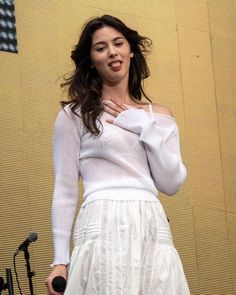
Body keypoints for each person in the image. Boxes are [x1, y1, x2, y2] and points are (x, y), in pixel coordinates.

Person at [45, 15, 190, 295]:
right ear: (90, 60)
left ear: (130, 50)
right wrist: (60, 260)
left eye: (118, 43)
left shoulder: (158, 116)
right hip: (101, 219)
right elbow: (64, 190)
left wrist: (145, 128)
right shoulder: (74, 115)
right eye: (100, 48)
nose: (112, 51)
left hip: (150, 220)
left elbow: (171, 183)